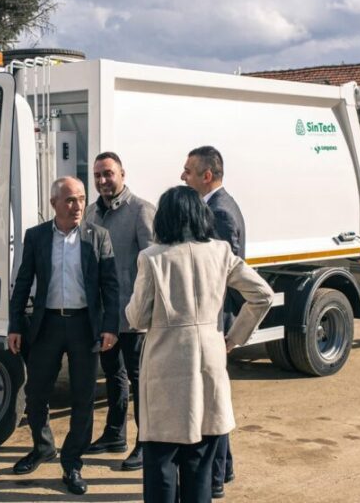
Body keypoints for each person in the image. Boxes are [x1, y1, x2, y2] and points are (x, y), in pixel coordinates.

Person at [125, 186, 274, 503]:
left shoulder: (153, 258)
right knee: (199, 465)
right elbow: (263, 294)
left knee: (161, 464)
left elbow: (137, 317)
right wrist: (234, 337)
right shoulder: (220, 252)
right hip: (209, 361)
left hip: (165, 365)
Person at [7, 176, 120, 496]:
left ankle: (72, 462)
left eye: (81, 199)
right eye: (70, 199)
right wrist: (15, 325)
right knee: (36, 393)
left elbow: (110, 286)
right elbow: (23, 281)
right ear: (54, 202)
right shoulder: (37, 236)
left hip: (85, 325)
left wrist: (110, 326)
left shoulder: (98, 236)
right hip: (48, 324)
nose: (77, 206)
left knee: (83, 397)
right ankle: (43, 447)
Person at [82, 152, 156, 471]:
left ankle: (146, 443)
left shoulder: (141, 211)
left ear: (122, 174)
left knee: (141, 381)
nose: (102, 180)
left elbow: (154, 265)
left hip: (133, 315)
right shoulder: (91, 212)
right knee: (113, 375)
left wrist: (147, 310)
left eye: (108, 174)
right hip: (104, 316)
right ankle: (114, 434)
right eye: (97, 175)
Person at [180, 145, 245, 498]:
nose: (183, 176)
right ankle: (225, 467)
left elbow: (222, 274)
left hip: (215, 320)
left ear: (206, 176)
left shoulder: (219, 212)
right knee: (215, 400)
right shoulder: (217, 205)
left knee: (213, 405)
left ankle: (215, 478)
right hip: (214, 320)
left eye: (188, 171)